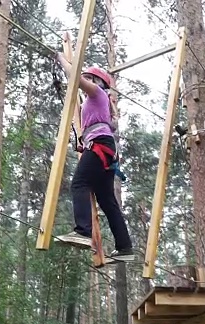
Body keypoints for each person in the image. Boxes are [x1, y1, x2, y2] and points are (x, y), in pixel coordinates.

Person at [54, 52, 134, 262]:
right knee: (107, 201)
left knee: (79, 184)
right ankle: (125, 247)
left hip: (101, 147)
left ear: (97, 82)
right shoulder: (95, 103)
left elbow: (74, 78)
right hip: (102, 148)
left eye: (89, 78)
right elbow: (94, 128)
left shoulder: (98, 94)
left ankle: (83, 232)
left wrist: (61, 58)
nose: (86, 81)